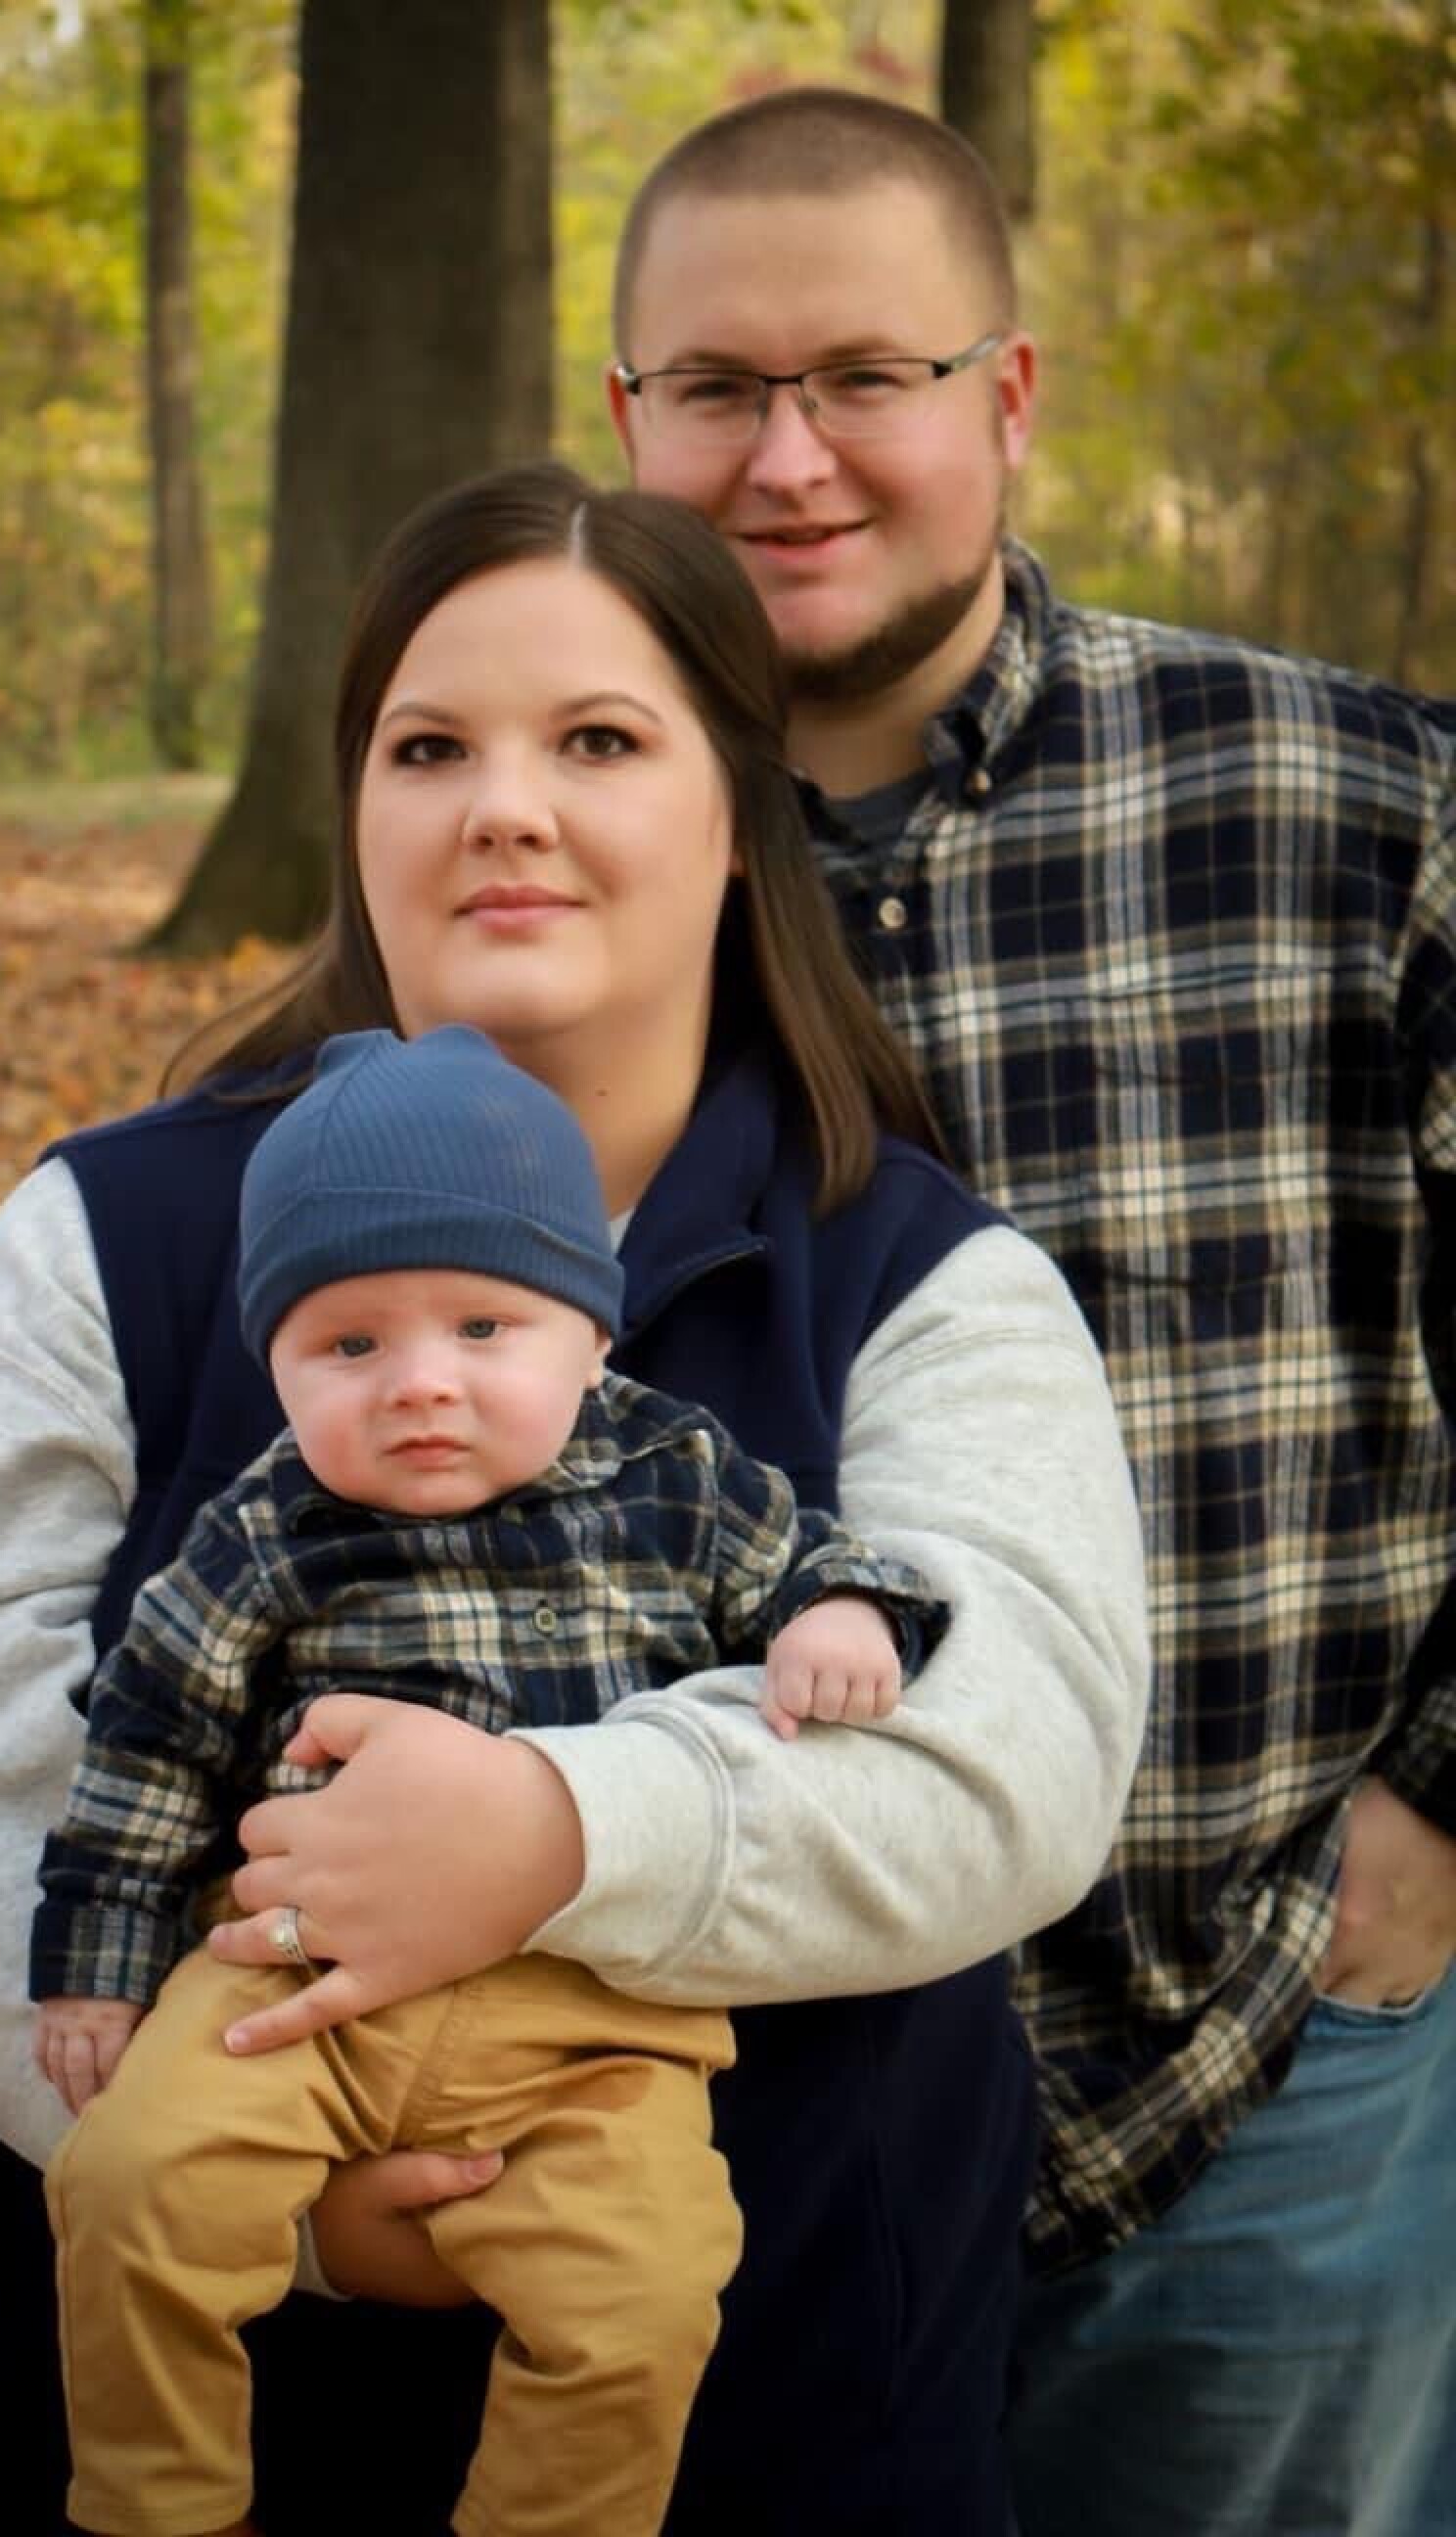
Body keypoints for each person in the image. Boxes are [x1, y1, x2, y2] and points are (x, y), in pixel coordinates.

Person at [0, 461, 1148, 2537]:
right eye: (430, 749)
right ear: (356, 812)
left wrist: (557, 1832)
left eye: (598, 741)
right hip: (139, 2404)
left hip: (771, 2421)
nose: (500, 806)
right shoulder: (114, 1230)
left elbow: (1013, 1753)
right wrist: (291, 2185)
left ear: (739, 809)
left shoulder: (919, 1277)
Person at [605, 83, 1456, 2537]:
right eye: (721, 390)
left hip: (1264, 2079)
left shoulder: (1351, 810)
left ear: (1007, 396)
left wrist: (1433, 1819)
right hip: (683, 2123)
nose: (792, 459)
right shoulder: (535, 846)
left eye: (867, 376)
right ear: (625, 418)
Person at [35, 1019, 930, 2537]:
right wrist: (97, 1972)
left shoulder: (679, 1478)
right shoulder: (264, 1532)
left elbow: (818, 1561)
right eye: (350, 1345)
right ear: (277, 1367)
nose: (420, 1386)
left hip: (594, 2024)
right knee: (131, 2184)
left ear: (593, 1334)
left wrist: (843, 1616)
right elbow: (148, 1745)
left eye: (485, 1329)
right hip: (288, 1990)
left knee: (646, 2290)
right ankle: (154, 2503)